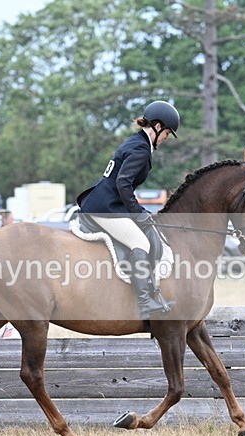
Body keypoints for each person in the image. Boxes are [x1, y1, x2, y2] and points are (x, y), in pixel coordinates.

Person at [76, 100, 180, 319]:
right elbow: (123, 183)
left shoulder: (137, 142)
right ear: (158, 126)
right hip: (105, 207)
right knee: (140, 242)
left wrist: (140, 210)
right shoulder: (141, 148)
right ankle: (145, 303)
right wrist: (138, 213)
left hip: (108, 202)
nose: (166, 138)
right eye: (167, 133)